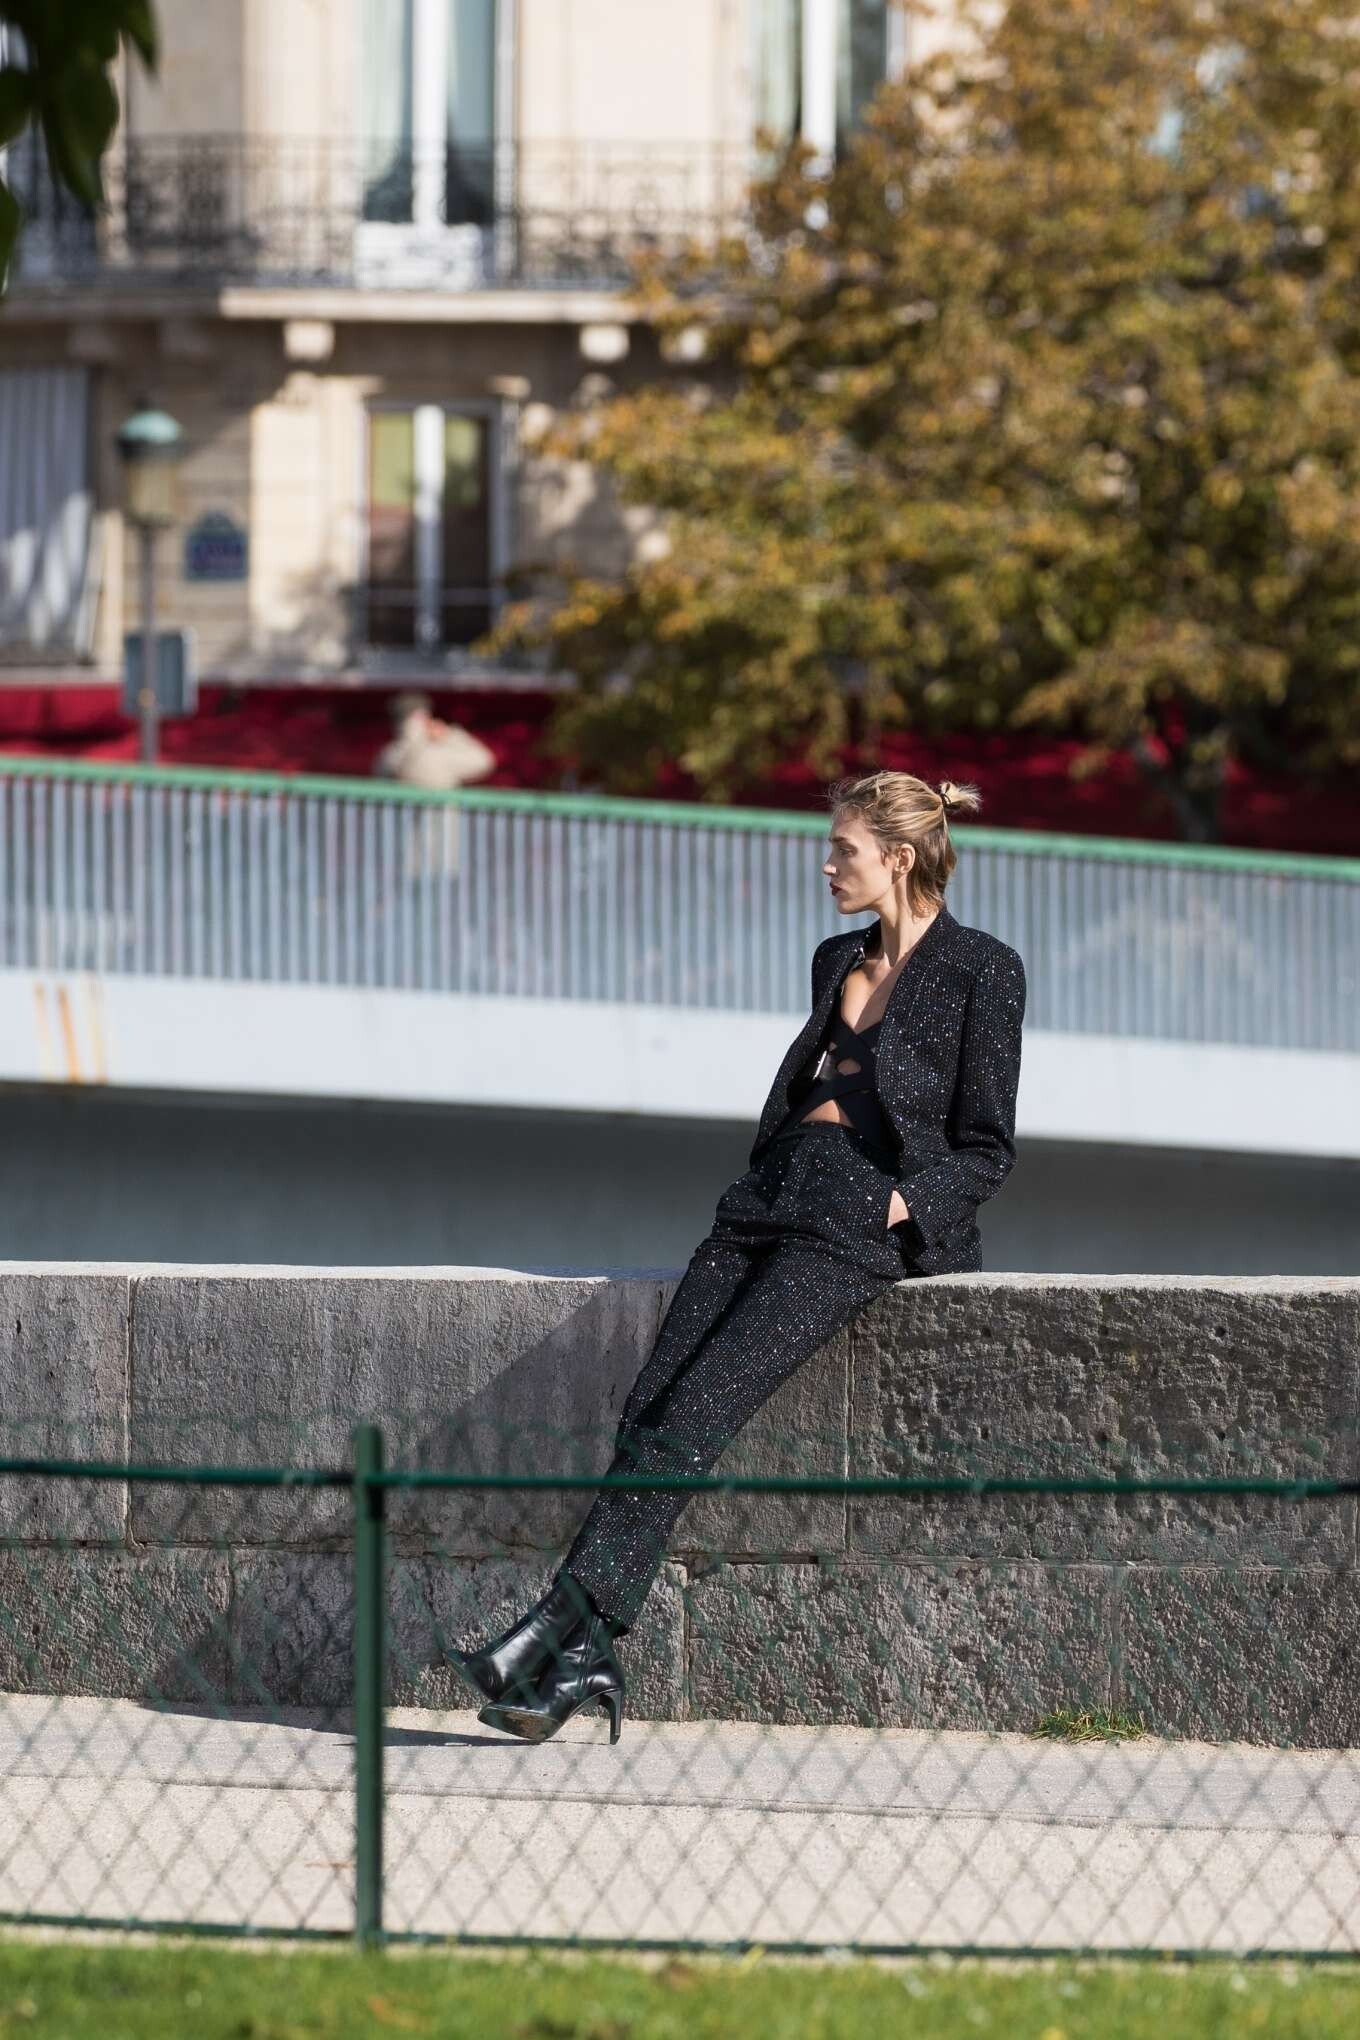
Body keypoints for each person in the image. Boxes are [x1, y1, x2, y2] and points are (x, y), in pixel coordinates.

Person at [452, 769, 1028, 1746]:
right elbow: (817, 1086)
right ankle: (581, 1657)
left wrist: (898, 1207)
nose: (826, 864)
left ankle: (558, 1629)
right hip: (769, 1196)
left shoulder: (983, 969)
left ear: (897, 857)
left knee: (697, 1414)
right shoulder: (835, 958)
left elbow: (986, 1147)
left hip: (855, 1219)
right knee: (652, 1407)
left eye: (842, 849)